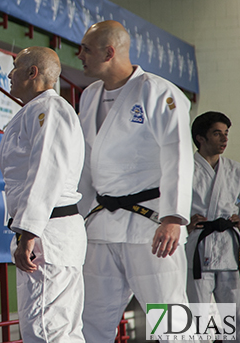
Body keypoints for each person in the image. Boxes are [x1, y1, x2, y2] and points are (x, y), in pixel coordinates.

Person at [76, 20, 193, 342]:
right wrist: (78, 217)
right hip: (101, 225)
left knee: (170, 316)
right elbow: (86, 165)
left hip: (152, 226)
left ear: (109, 52)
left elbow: (178, 154)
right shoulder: (89, 96)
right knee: (90, 319)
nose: (79, 55)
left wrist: (173, 217)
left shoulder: (159, 92)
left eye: (86, 48)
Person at [0, 46, 86, 343]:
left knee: (46, 329)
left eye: (15, 67)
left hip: (47, 231)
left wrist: (28, 232)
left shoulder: (49, 110)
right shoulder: (36, 111)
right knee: (57, 328)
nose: (10, 74)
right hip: (52, 230)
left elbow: (46, 172)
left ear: (32, 72)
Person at [186, 111, 240, 321]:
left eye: (226, 133)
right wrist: (184, 225)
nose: (225, 139)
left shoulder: (235, 170)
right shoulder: (184, 169)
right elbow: (169, 208)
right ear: (200, 137)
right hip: (195, 250)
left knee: (234, 320)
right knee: (195, 317)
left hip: (229, 252)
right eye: (217, 133)